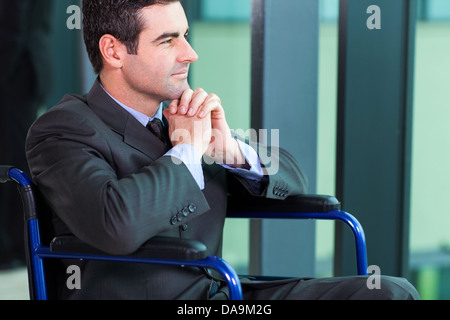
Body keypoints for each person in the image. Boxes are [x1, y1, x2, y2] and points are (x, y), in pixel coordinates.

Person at [25, 0, 419, 300]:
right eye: (168, 40)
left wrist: (229, 149)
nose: (190, 54)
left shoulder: (181, 122)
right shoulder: (65, 129)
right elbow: (116, 224)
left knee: (388, 292)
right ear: (113, 51)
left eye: (186, 35)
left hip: (225, 294)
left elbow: (295, 180)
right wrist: (188, 152)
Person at [0, 0, 53, 269]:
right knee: (17, 155)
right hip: (26, 69)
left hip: (14, 74)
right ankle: (19, 244)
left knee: (11, 161)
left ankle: (13, 247)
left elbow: (12, 27)